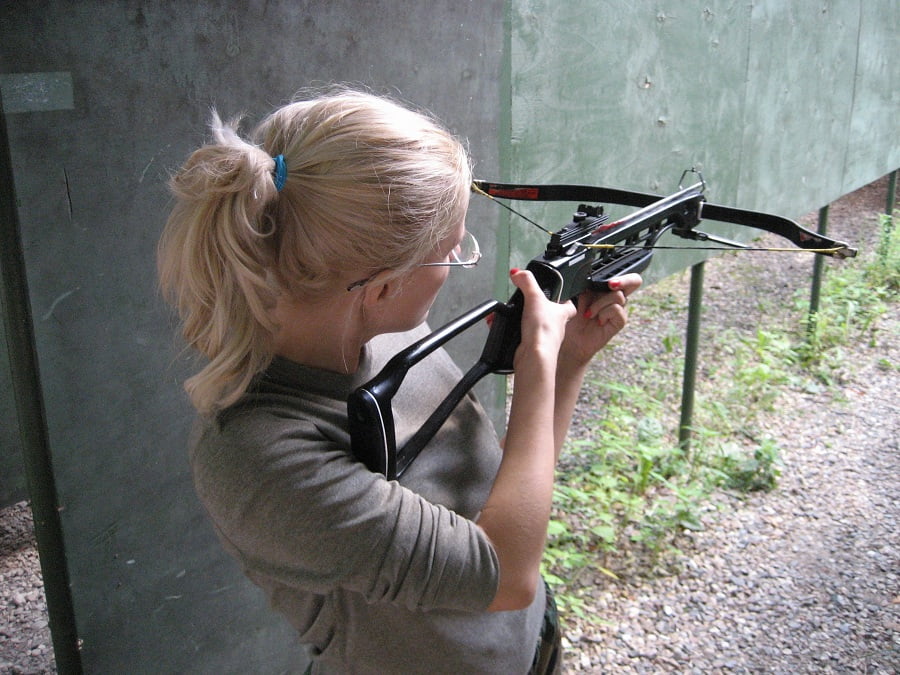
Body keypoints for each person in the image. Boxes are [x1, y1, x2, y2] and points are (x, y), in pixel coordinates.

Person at [157, 87, 641, 674]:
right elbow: (506, 575)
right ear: (384, 285)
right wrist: (538, 359)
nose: (460, 254)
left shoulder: (379, 332)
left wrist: (566, 365)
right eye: (452, 250)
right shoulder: (257, 456)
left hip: (526, 645)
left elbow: (498, 498)